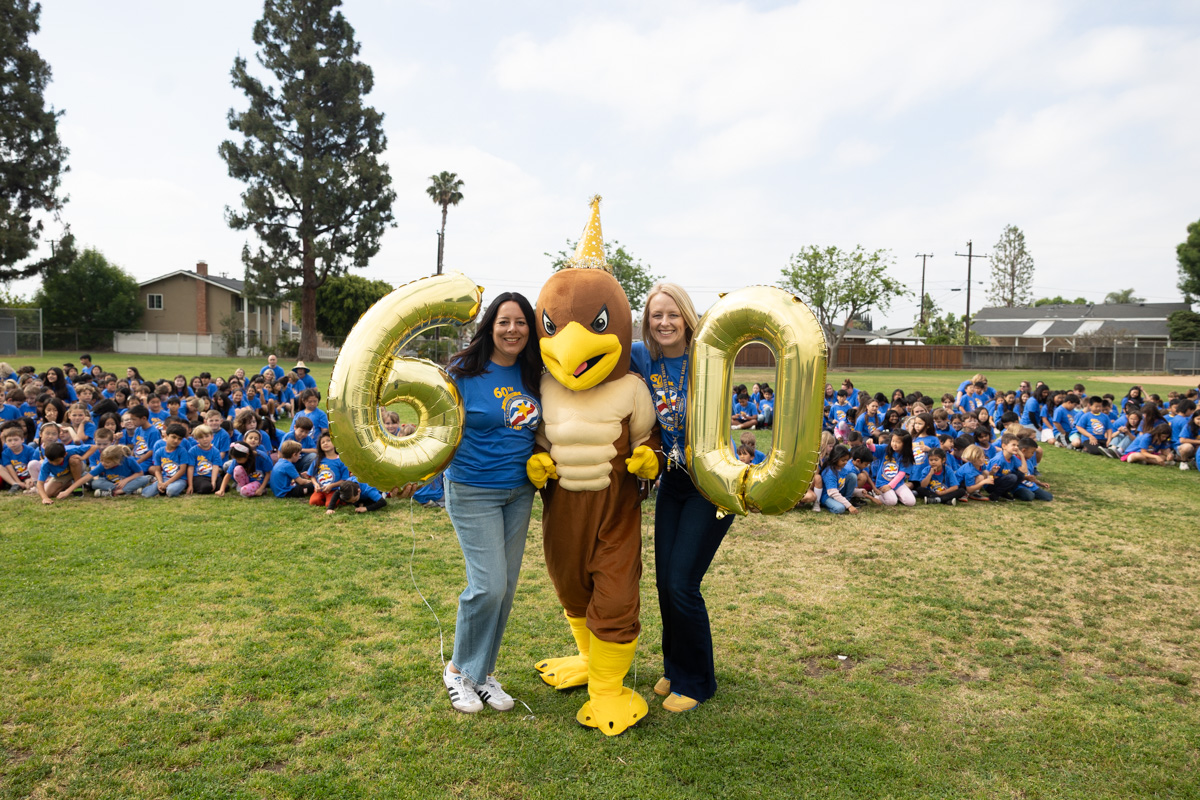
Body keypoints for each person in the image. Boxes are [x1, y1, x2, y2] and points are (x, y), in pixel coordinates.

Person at [629, 282, 735, 712]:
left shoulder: (708, 357)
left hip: (711, 485)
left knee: (682, 583)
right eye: (656, 315)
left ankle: (697, 681)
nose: (664, 322)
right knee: (664, 582)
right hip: (672, 483)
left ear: (687, 318)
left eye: (672, 314)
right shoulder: (642, 356)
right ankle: (675, 668)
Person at [436, 291, 543, 714]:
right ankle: (457, 670)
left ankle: (481, 673)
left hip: (519, 492)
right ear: (490, 327)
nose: (512, 330)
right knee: (488, 585)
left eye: (520, 322)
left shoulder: (536, 372)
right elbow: (436, 427)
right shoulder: (461, 372)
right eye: (504, 322)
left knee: (505, 589)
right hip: (472, 489)